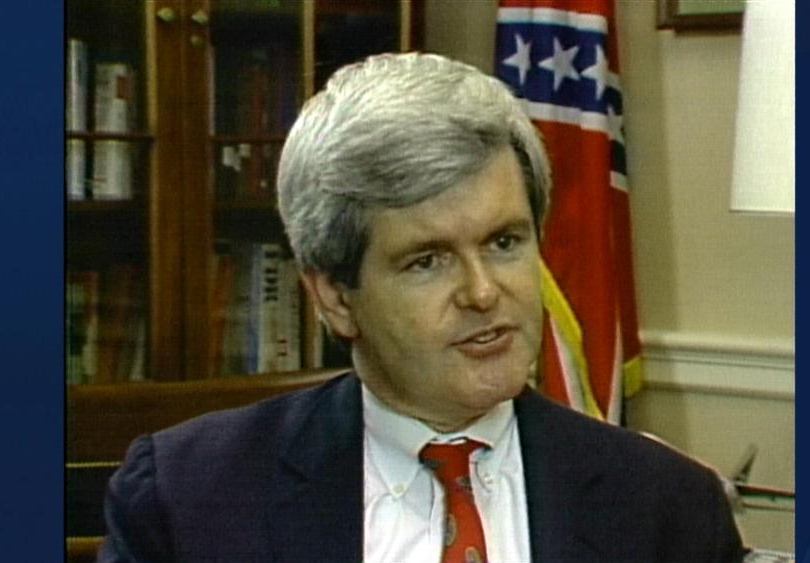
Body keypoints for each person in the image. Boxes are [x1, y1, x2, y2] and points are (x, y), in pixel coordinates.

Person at [99, 52, 747, 563]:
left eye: (504, 242)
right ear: (335, 296)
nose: (483, 292)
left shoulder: (665, 508)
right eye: (427, 260)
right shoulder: (188, 498)